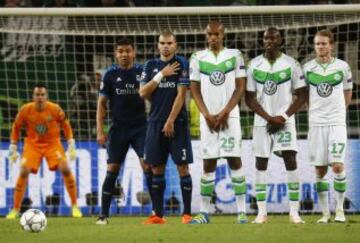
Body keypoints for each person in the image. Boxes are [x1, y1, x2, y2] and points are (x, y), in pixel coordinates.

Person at [245, 27, 307, 224]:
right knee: (260, 163)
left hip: (285, 121)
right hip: (262, 122)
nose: (269, 41)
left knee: (290, 160)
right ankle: (262, 213)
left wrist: (283, 116)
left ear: (281, 40)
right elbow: (249, 98)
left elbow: (302, 95)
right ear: (262, 41)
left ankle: (294, 213)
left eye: (273, 38)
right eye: (265, 38)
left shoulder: (292, 64)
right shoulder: (254, 65)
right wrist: (269, 118)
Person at [189, 21, 247, 224]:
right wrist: (205, 114)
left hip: (229, 117)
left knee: (234, 160)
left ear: (223, 35)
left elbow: (240, 87)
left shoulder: (235, 55)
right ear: (206, 36)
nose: (213, 37)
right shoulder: (197, 57)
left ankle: (241, 212)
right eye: (209, 34)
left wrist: (224, 112)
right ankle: (204, 213)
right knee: (208, 163)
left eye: (216, 34)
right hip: (208, 118)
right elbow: (194, 89)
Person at [95, 37, 153, 225]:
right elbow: (102, 104)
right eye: (120, 51)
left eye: (127, 50)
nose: (124, 54)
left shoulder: (142, 72)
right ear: (116, 53)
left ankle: (157, 212)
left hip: (140, 128)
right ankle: (103, 214)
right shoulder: (110, 75)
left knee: (148, 165)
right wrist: (99, 130)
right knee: (112, 168)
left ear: (133, 52)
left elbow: (152, 97)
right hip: (118, 129)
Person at [139, 31, 193, 225]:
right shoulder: (150, 65)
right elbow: (143, 92)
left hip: (177, 124)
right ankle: (158, 216)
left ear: (175, 45)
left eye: (169, 43)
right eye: (162, 43)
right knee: (156, 169)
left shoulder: (181, 64)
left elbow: (181, 95)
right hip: (154, 123)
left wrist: (170, 120)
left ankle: (186, 214)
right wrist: (162, 74)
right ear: (157, 45)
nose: (166, 46)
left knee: (183, 168)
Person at [6, 83, 82, 219]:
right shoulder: (25, 110)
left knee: (65, 169)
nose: (40, 97)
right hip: (32, 144)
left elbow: (66, 125)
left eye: (42, 95)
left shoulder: (55, 109)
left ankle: (75, 206)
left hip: (52, 144)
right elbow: (16, 127)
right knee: (24, 171)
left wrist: (71, 143)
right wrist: (13, 146)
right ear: (33, 96)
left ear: (46, 96)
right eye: (37, 95)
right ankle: (15, 209)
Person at [303, 29, 352, 223]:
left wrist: (341, 111)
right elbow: (304, 95)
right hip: (316, 124)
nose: (320, 47)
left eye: (324, 43)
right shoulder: (307, 68)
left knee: (338, 166)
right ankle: (325, 213)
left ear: (331, 45)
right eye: (317, 44)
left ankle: (339, 210)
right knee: (320, 171)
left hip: (337, 123)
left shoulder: (342, 67)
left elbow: (348, 91)